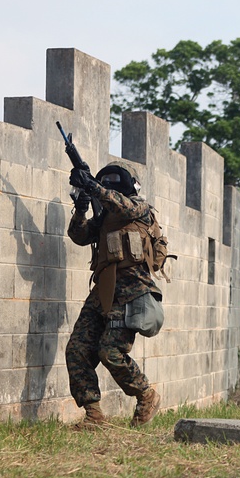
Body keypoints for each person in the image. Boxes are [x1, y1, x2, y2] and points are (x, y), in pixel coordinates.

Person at [65, 162, 164, 428]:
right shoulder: (104, 218)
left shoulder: (139, 209)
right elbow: (79, 235)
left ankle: (146, 394)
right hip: (103, 292)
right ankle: (94, 415)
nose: (107, 185)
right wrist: (82, 207)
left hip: (132, 292)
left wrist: (93, 187)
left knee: (110, 351)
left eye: (112, 182)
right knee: (77, 349)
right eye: (103, 181)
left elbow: (122, 204)